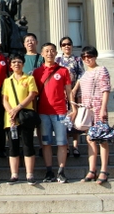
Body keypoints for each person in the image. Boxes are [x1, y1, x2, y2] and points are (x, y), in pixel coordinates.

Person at [33, 42, 72, 183]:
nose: (49, 53)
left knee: (62, 143)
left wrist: (72, 107)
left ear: (56, 53)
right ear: (42, 54)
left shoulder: (63, 71)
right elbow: (34, 94)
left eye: (52, 51)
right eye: (47, 51)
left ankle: (61, 171)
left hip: (60, 112)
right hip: (43, 112)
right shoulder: (37, 72)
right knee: (46, 143)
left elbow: (69, 91)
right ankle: (49, 171)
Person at [72, 46, 111, 185]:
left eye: (90, 56)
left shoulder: (101, 70)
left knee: (102, 139)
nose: (87, 59)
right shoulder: (84, 74)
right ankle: (92, 170)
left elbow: (106, 90)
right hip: (87, 109)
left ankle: (104, 170)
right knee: (90, 139)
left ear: (95, 56)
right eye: (84, 57)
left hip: (98, 107)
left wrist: (103, 108)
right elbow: (75, 90)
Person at [2, 53, 38, 185]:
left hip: (25, 117)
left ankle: (30, 174)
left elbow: (32, 95)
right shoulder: (7, 81)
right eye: (14, 62)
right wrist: (11, 112)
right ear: (10, 66)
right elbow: (4, 99)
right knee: (13, 146)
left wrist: (18, 108)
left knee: (28, 145)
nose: (16, 64)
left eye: (19, 62)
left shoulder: (29, 78)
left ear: (23, 64)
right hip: (11, 119)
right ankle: (14, 174)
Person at [57, 36, 85, 158]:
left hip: (75, 92)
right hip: (62, 94)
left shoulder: (77, 59)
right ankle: (67, 146)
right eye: (64, 44)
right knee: (65, 119)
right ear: (61, 47)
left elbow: (81, 75)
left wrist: (74, 89)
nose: (66, 46)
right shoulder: (58, 60)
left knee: (75, 118)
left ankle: (75, 146)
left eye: (68, 44)